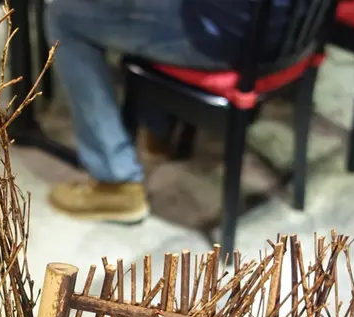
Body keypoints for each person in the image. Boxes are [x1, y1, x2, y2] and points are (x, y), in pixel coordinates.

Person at [44, 0, 290, 224]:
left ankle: (115, 182)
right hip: (291, 32)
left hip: (230, 38)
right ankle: (157, 129)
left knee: (64, 16)